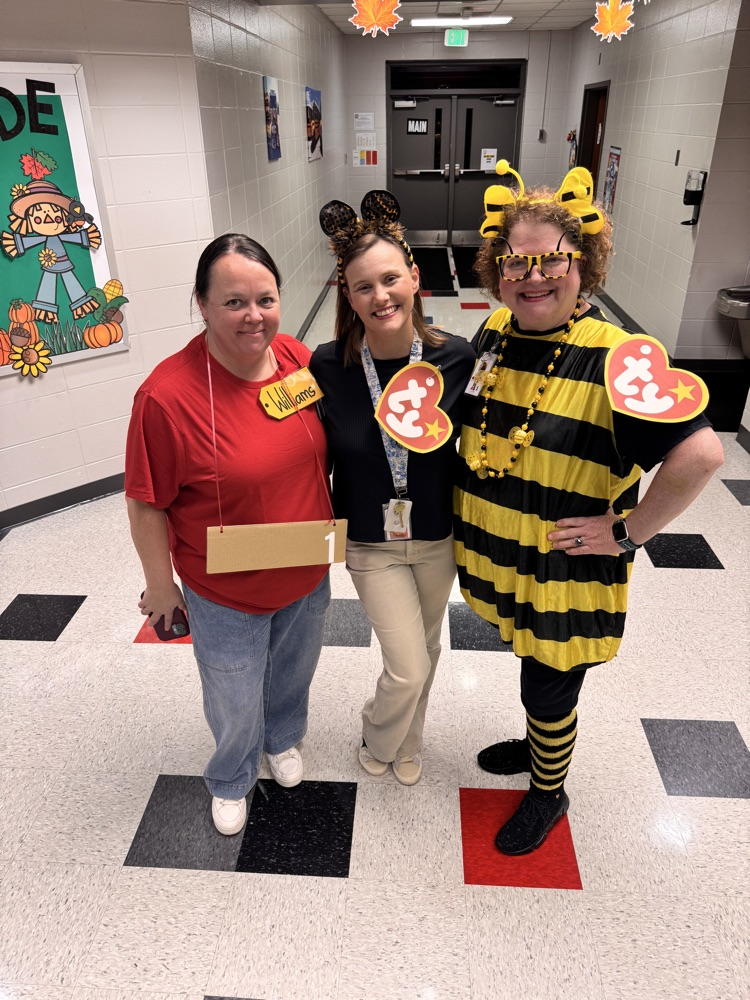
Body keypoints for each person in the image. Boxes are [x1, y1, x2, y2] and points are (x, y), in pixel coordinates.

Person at [454, 161, 724, 855]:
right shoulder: (497, 331)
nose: (533, 276)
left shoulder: (616, 356)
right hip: (507, 553)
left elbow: (700, 455)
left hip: (564, 568)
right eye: (517, 261)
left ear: (585, 264)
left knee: (551, 681)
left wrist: (628, 532)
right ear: (497, 269)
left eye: (553, 260)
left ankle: (549, 791)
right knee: (533, 663)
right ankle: (537, 745)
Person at [125, 234, 332, 836]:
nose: (253, 316)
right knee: (234, 691)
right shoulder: (167, 396)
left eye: (265, 299)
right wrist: (160, 586)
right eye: (233, 302)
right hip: (226, 581)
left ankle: (282, 737)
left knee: (293, 670)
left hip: (307, 560)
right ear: (202, 304)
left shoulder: (293, 358)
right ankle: (232, 775)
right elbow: (145, 501)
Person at [311, 191, 475, 785]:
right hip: (369, 543)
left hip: (436, 536)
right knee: (406, 666)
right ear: (348, 296)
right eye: (363, 287)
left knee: (425, 651)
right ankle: (378, 730)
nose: (380, 296)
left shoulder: (456, 359)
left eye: (389, 279)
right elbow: (305, 454)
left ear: (414, 278)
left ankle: (410, 741)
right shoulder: (325, 366)